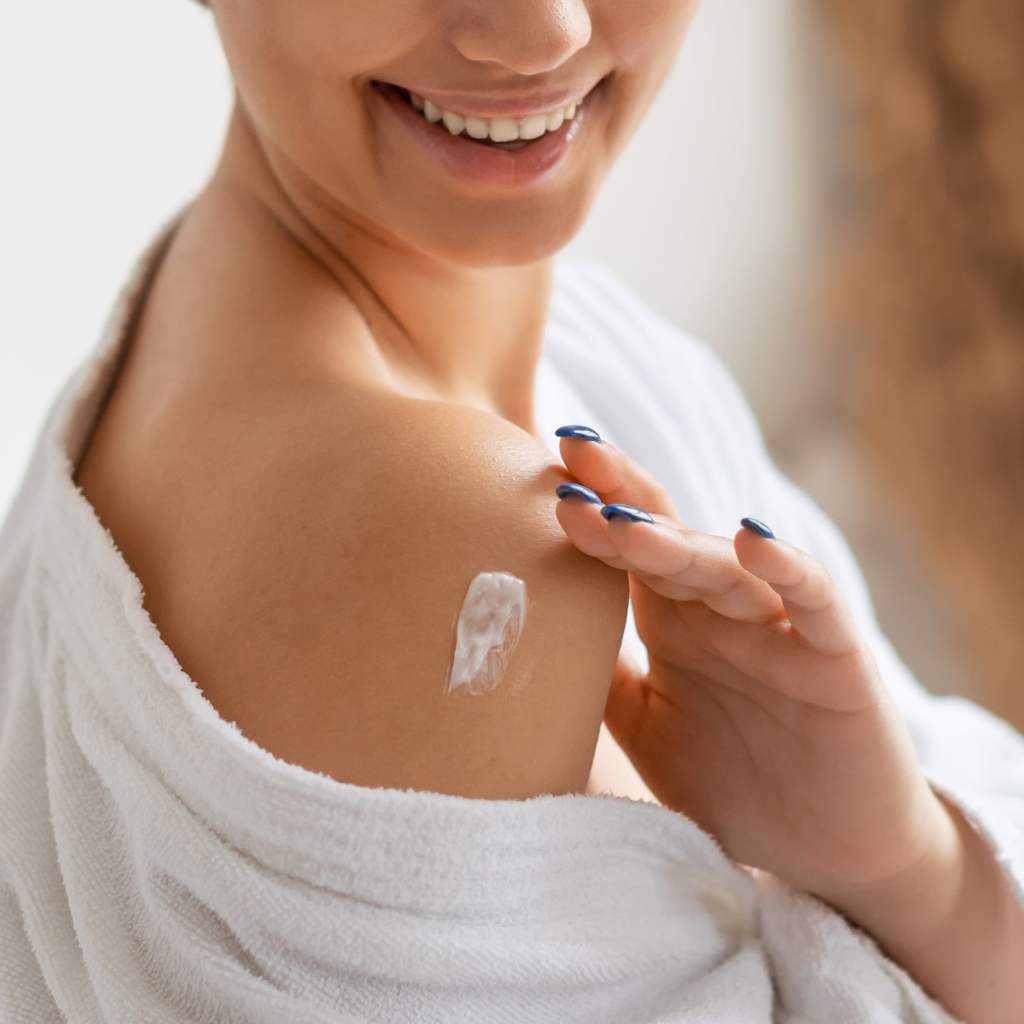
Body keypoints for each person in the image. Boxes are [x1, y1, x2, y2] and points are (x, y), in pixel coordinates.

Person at [1, 2, 1021, 1022]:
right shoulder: (434, 530)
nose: (543, 34)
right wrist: (914, 884)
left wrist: (901, 858)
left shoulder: (590, 352)